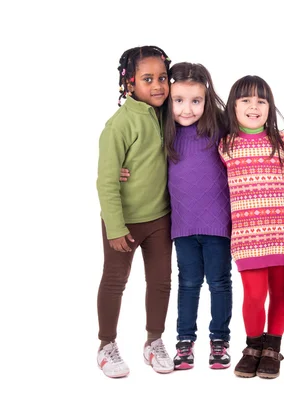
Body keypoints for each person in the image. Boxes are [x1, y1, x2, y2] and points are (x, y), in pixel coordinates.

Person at [95, 45, 174, 378]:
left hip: (160, 218)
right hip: (125, 221)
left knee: (160, 281)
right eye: (147, 79)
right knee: (115, 281)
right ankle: (106, 345)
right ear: (129, 84)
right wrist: (114, 227)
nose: (158, 85)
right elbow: (107, 182)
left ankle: (153, 341)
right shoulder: (119, 125)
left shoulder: (169, 113)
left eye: (162, 77)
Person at [219, 75, 284, 379]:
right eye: (246, 100)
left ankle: (272, 347)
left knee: (279, 290)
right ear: (233, 106)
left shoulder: (282, 142)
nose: (254, 106)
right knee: (254, 295)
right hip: (246, 234)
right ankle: (253, 345)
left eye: (261, 101)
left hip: (282, 230)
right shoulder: (224, 144)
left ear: (270, 106)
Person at [163, 62, 233, 370]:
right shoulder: (165, 133)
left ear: (207, 99)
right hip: (183, 224)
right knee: (188, 282)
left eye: (196, 101)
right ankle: (184, 341)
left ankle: (219, 340)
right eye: (179, 100)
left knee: (219, 281)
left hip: (218, 222)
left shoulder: (219, 128)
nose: (187, 109)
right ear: (169, 100)